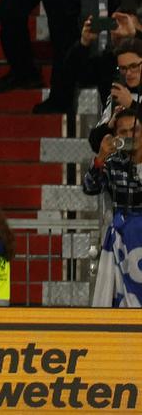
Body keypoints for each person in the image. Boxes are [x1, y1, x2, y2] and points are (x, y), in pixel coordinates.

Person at [82, 107, 142, 307]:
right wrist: (100, 158)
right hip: (123, 242)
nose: (129, 136)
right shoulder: (113, 162)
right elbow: (90, 187)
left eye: (134, 130)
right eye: (122, 132)